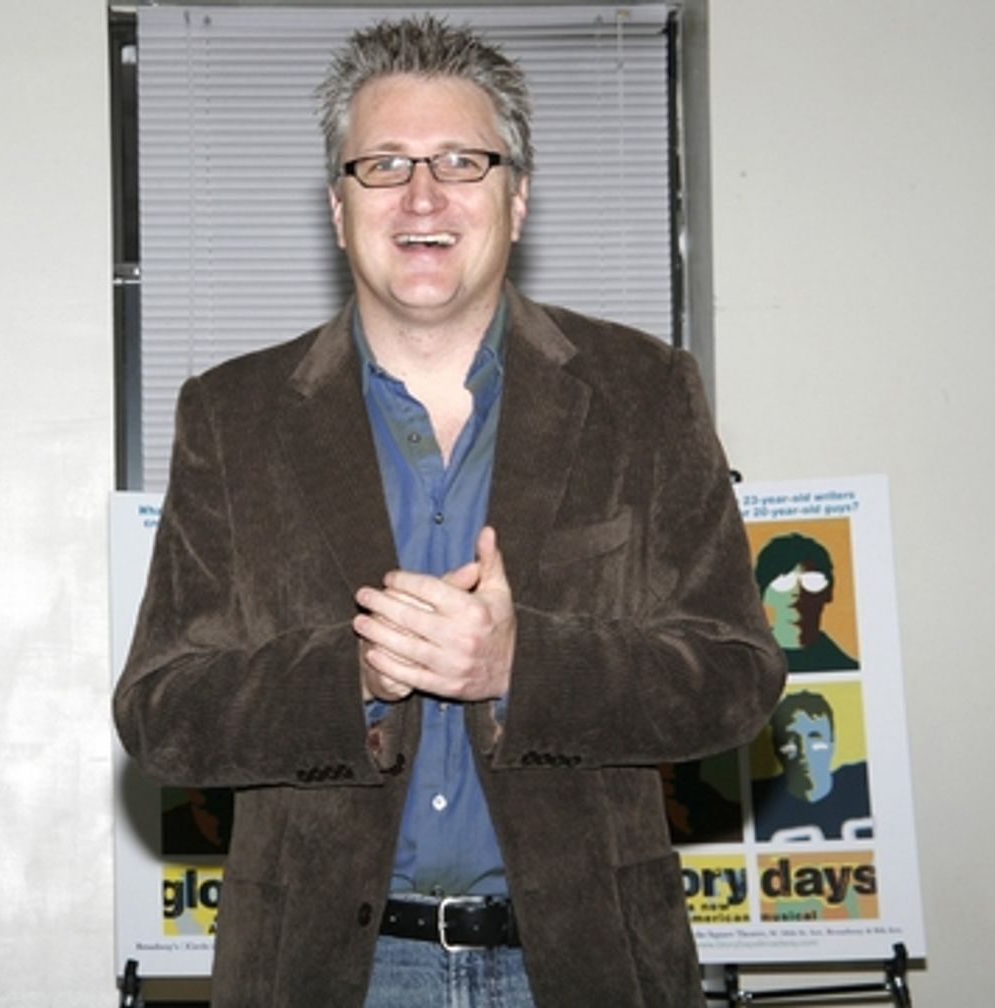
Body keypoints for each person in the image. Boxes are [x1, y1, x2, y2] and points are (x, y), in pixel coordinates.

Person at [113, 15, 786, 1008]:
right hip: (327, 975)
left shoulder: (645, 391)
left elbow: (734, 676)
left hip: (582, 967)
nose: (421, 196)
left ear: (517, 200)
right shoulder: (232, 414)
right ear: (337, 207)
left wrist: (520, 665)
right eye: (382, 164)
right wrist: (351, 676)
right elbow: (161, 710)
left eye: (461, 162)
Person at [752, 690, 872, 843]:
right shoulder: (756, 802)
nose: (804, 749)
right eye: (791, 738)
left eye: (814, 736)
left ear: (832, 741)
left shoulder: (865, 781)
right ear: (775, 748)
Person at [754, 531, 859, 672]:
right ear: (764, 594)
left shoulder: (847, 668)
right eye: (783, 582)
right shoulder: (747, 669)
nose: (797, 591)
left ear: (828, 592)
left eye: (812, 581)